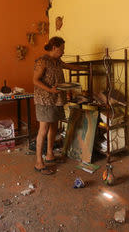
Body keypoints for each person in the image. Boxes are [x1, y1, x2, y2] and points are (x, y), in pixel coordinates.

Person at [32, 36, 88, 175]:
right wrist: (50, 89)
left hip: (56, 100)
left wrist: (86, 67)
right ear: (55, 48)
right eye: (62, 49)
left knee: (54, 127)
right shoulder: (42, 61)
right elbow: (35, 80)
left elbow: (69, 66)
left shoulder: (57, 61)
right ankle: (39, 163)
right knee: (43, 130)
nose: (63, 51)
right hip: (44, 100)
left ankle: (50, 155)